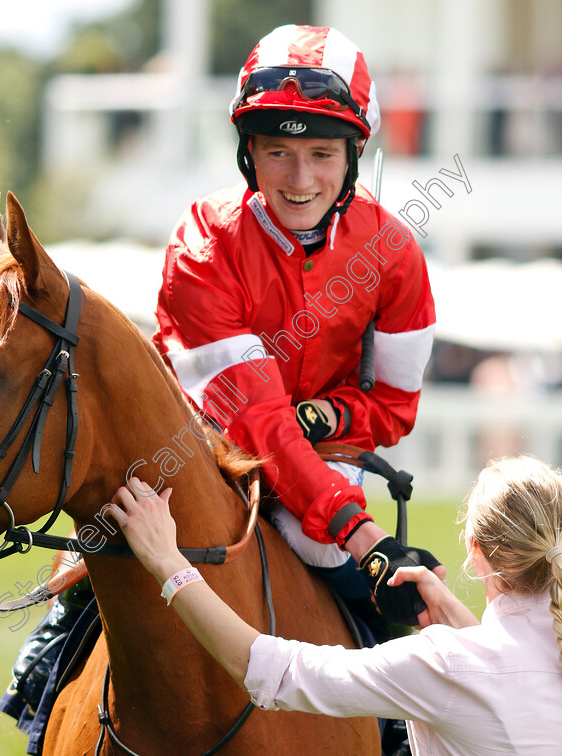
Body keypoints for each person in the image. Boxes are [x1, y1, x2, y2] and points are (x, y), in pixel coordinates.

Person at [151, 23, 440, 624]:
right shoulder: (203, 241)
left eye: (321, 154)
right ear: (248, 153)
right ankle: (45, 674)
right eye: (278, 151)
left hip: (321, 457)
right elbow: (253, 417)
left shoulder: (395, 253)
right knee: (105, 538)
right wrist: (361, 533)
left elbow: (394, 408)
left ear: (353, 156)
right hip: (199, 449)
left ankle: (393, 711)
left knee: (371, 582)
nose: (299, 179)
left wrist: (327, 416)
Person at [108, 457, 562, 755]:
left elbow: (270, 670)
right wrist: (455, 618)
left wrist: (166, 560)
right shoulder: (478, 656)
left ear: (474, 547)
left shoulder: (444, 664)